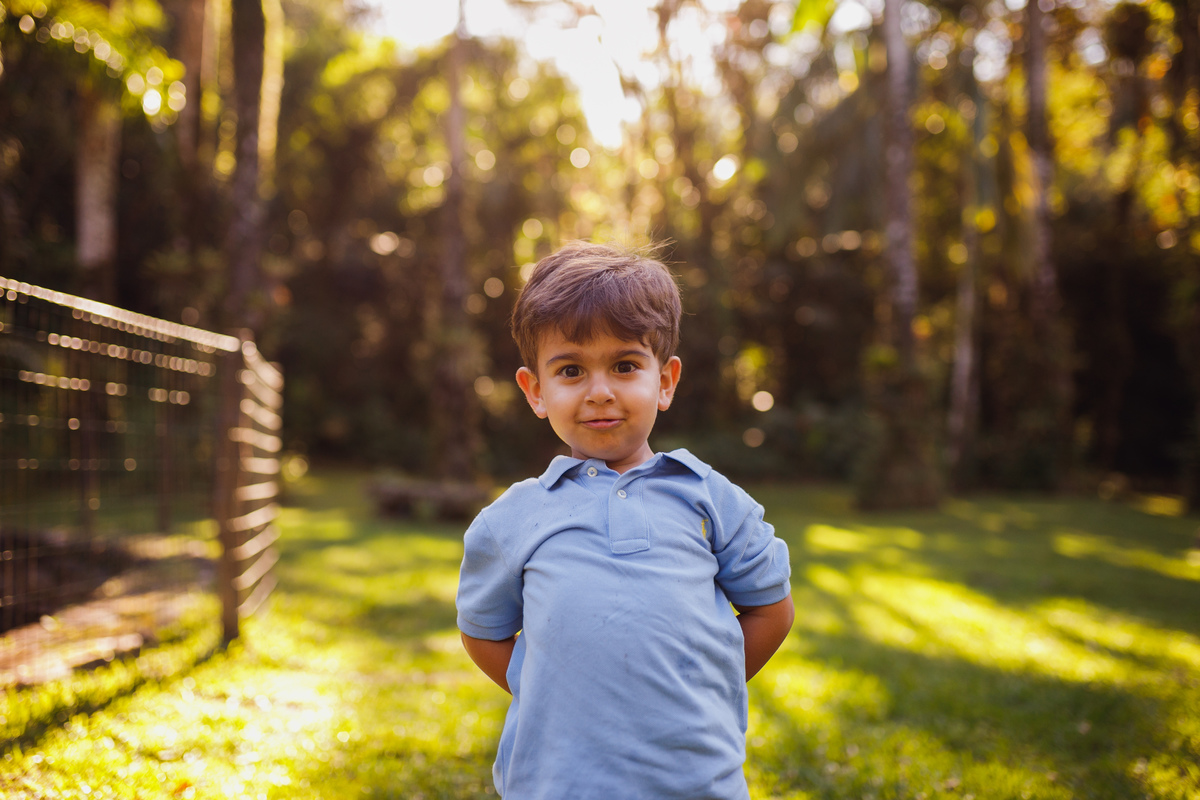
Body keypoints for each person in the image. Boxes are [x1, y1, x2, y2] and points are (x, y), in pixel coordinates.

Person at [456, 241, 795, 799]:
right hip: (560, 784)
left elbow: (770, 608)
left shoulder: (710, 497)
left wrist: (704, 689)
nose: (600, 392)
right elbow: (483, 632)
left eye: (625, 365)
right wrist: (553, 695)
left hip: (695, 781)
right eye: (570, 370)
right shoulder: (511, 520)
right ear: (535, 391)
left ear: (665, 380)